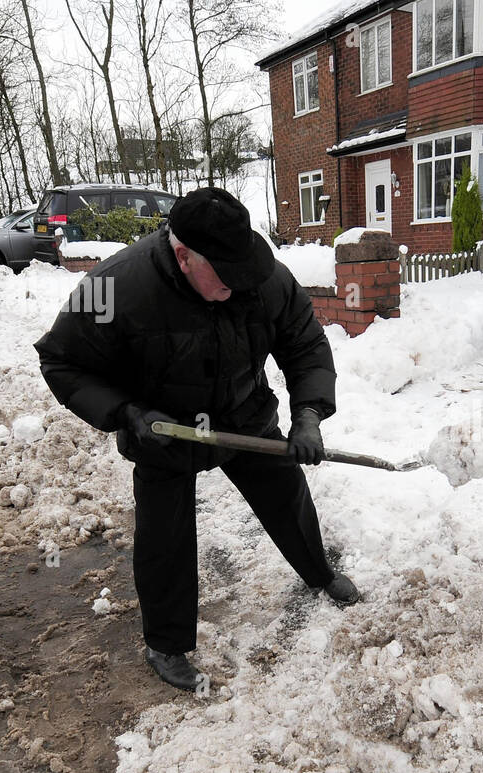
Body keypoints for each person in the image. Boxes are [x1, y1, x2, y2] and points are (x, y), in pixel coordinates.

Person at [34, 187, 358, 691]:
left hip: (242, 415)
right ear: (183, 256)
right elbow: (62, 361)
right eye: (225, 277)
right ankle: (166, 643)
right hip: (164, 429)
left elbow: (303, 342)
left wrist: (310, 413)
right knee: (165, 536)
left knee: (285, 494)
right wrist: (126, 412)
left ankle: (318, 572)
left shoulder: (261, 273)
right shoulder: (115, 288)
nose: (239, 284)